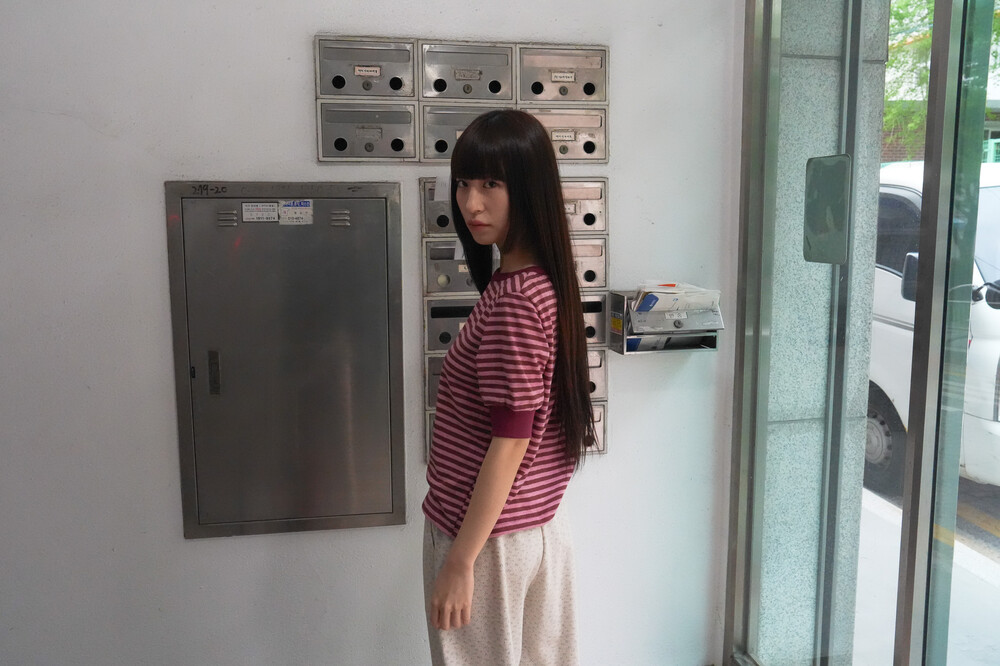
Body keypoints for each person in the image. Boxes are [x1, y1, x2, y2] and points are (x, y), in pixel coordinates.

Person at [422, 109, 596, 666]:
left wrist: (460, 561)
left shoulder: (515, 301)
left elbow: (512, 439)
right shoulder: (543, 284)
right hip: (534, 527)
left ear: (527, 188)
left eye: (491, 185)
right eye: (463, 183)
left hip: (487, 542)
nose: (471, 203)